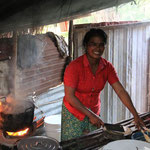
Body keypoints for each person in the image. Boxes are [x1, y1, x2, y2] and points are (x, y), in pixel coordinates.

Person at [61, 28, 145, 141]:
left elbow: (120, 91)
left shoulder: (107, 67)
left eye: (101, 45)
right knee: (72, 145)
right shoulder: (74, 67)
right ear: (86, 45)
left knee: (92, 143)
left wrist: (135, 115)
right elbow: (69, 96)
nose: (97, 48)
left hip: (94, 111)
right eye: (93, 44)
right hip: (74, 112)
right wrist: (90, 115)